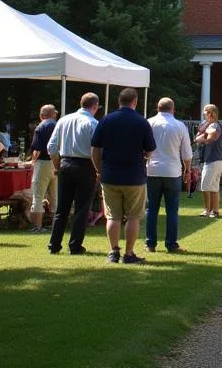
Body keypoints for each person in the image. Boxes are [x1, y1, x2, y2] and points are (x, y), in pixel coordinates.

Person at [91, 88, 155, 264]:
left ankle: (113, 252)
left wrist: (99, 169)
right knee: (134, 216)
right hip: (134, 176)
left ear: (119, 101)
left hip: (110, 175)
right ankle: (129, 253)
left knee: (112, 216)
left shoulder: (105, 120)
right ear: (135, 101)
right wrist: (145, 156)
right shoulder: (142, 122)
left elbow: (95, 149)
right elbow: (150, 150)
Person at [47, 92, 100, 255]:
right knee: (82, 207)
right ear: (95, 106)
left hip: (65, 163)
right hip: (85, 165)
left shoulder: (63, 120)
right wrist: (98, 169)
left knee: (62, 208)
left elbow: (51, 147)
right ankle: (75, 245)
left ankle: (54, 244)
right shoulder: (93, 123)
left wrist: (57, 166)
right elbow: (96, 150)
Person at [145, 97, 192, 253]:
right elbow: (186, 153)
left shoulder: (149, 123)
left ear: (157, 108)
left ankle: (150, 243)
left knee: (152, 209)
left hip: (152, 169)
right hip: (172, 171)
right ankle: (171, 244)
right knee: (172, 210)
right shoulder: (179, 126)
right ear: (173, 109)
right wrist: (188, 170)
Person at [28, 104, 58, 233]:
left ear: (41, 115)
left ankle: (37, 226)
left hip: (43, 162)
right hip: (57, 162)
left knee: (38, 195)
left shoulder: (41, 127)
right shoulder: (59, 125)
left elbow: (37, 149)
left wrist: (32, 162)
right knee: (55, 196)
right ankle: (56, 226)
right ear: (54, 114)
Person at [194, 104, 222, 218]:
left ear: (211, 113)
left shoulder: (215, 125)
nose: (203, 114)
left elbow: (211, 138)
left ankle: (207, 210)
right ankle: (214, 211)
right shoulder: (214, 124)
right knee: (214, 187)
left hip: (212, 159)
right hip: (217, 159)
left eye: (205, 112)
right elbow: (199, 133)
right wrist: (202, 134)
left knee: (205, 186)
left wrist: (201, 139)